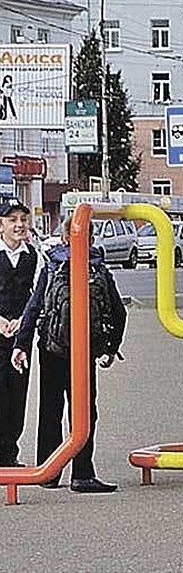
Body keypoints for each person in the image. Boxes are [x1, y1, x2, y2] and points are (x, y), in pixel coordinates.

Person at [11, 222, 127, 492]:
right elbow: (119, 311)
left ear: (64, 237)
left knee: (50, 410)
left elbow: (34, 306)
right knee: (85, 411)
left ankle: (48, 472)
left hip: (51, 349)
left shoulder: (52, 267)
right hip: (84, 351)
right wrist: (111, 347)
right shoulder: (97, 267)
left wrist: (21, 344)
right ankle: (83, 474)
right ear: (91, 239)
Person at [0, 197, 40, 466]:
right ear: (0, 225)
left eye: (23, 220)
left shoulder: (33, 255)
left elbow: (37, 294)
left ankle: (9, 456)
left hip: (19, 337)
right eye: (12, 220)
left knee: (16, 395)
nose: (19, 225)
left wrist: (23, 320)